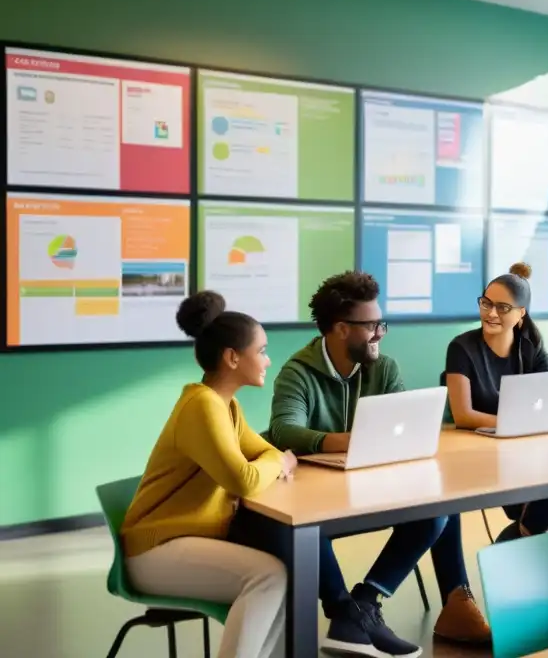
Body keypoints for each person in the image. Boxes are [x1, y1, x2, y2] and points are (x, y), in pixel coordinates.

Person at [262, 271, 490, 654]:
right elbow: (284, 431)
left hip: (370, 487)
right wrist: (348, 442)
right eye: (370, 326)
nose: (380, 333)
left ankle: (363, 605)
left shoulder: (383, 367)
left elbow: (402, 422)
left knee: (439, 509)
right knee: (303, 527)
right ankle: (348, 612)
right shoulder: (297, 373)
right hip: (315, 497)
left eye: (380, 323)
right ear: (339, 329)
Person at [122, 292, 295, 658]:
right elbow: (245, 479)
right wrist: (276, 465)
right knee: (269, 576)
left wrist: (272, 461)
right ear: (232, 357)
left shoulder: (226, 405)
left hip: (190, 541)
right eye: (262, 350)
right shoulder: (202, 406)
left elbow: (266, 452)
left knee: (284, 575)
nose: (268, 359)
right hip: (155, 552)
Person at [445, 263, 548, 541]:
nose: (491, 313)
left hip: (523, 450)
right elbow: (464, 416)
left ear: (521, 314)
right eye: (486, 303)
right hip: (475, 453)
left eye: (502, 307)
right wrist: (516, 425)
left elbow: (547, 407)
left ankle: (518, 537)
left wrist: (521, 428)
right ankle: (520, 536)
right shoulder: (460, 348)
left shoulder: (533, 347)